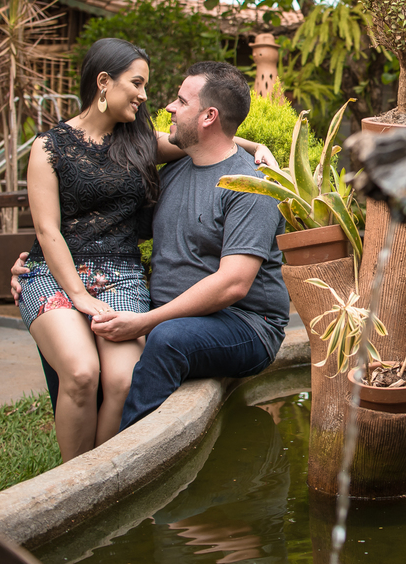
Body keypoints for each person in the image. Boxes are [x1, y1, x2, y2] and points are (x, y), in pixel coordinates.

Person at [18, 42, 274, 462]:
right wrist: (68, 289)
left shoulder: (141, 144)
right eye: (137, 84)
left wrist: (253, 147)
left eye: (157, 90)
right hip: (57, 274)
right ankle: (72, 476)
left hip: (121, 275)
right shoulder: (49, 148)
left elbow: (211, 137)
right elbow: (48, 230)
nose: (149, 98)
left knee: (122, 379)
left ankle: (102, 471)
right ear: (104, 82)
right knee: (82, 372)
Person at [89, 61, 290, 429]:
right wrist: (42, 266)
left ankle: (130, 457)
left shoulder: (249, 186)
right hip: (174, 314)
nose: (168, 106)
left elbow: (233, 283)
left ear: (208, 116)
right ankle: (84, 447)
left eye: (181, 101)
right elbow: (115, 229)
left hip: (247, 323)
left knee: (168, 339)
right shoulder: (177, 170)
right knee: (84, 328)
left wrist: (146, 322)